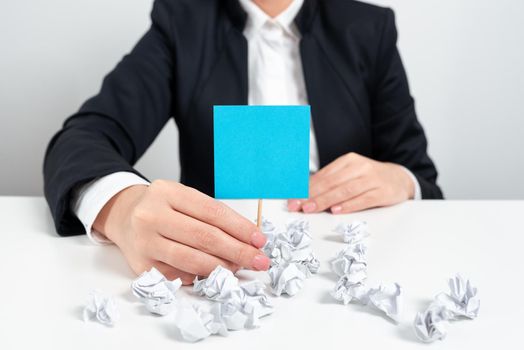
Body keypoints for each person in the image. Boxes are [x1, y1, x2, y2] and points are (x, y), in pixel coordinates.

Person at [43, 0, 443, 284]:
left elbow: (422, 179)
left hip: (348, 267)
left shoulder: (368, 29)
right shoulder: (181, 22)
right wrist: (122, 207)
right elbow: (83, 137)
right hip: (217, 271)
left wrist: (400, 179)